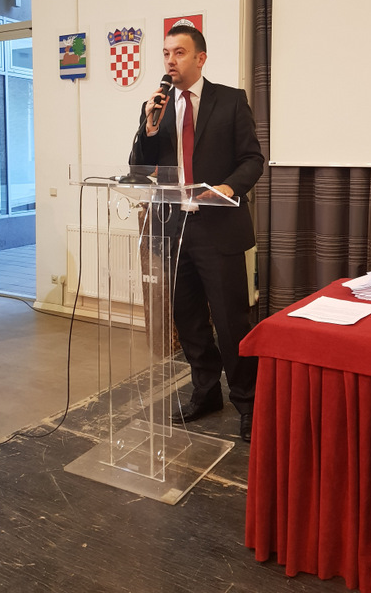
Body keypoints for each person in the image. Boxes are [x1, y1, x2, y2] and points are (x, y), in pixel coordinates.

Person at [133, 25, 264, 442]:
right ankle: (206, 393)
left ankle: (248, 402)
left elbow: (253, 159)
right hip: (173, 229)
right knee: (188, 320)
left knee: (231, 322)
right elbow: (138, 165)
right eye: (166, 53)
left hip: (218, 228)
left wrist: (229, 187)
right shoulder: (155, 107)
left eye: (179, 52)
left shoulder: (230, 100)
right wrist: (148, 128)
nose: (170, 60)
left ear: (200, 58)